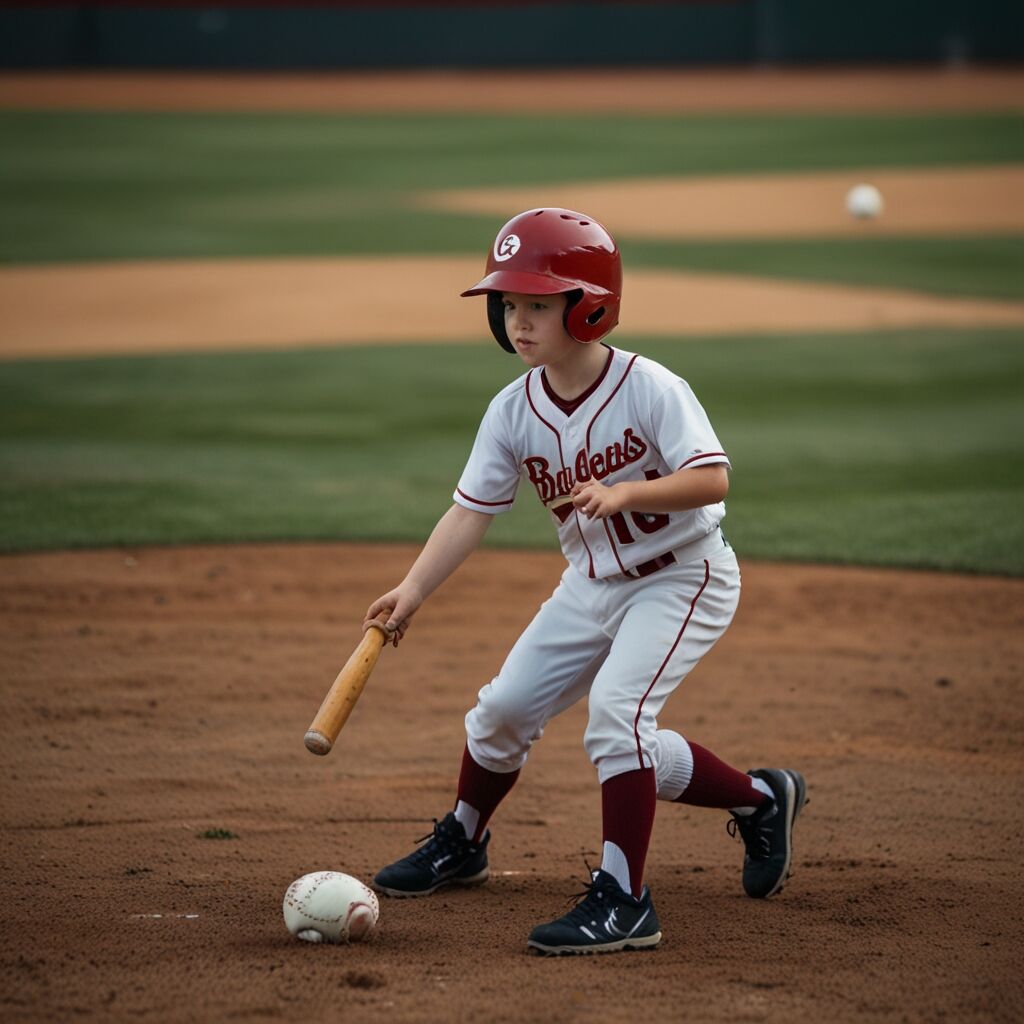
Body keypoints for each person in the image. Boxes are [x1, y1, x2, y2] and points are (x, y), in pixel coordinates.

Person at [363, 208, 807, 956]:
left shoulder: (650, 386)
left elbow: (713, 479)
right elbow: (470, 513)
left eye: (538, 304)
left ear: (589, 306)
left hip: (683, 576)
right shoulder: (512, 410)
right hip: (591, 585)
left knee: (618, 715)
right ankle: (468, 840)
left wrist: (626, 493)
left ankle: (626, 899)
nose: (519, 320)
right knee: (502, 708)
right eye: (509, 305)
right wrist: (411, 592)